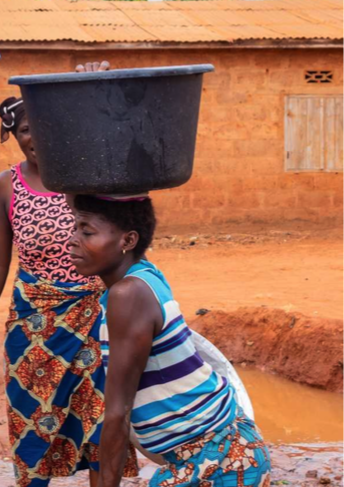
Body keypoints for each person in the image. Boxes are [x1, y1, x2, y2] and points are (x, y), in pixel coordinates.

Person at [0, 62, 137, 487]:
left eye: (45, 127)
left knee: (102, 428)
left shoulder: (89, 176)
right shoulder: (6, 186)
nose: (36, 138)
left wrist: (95, 91)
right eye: (26, 129)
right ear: (14, 135)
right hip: (33, 327)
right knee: (32, 428)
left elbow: (128, 151)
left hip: (96, 321)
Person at [67, 194, 271, 487]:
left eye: (86, 232)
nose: (73, 240)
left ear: (128, 240)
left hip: (219, 460)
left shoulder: (128, 295)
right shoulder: (146, 275)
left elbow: (117, 412)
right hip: (226, 449)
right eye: (74, 228)